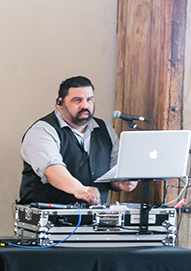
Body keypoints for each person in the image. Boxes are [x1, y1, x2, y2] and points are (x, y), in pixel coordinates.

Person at [19, 75, 136, 205]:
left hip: (95, 221)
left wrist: (122, 183)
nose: (85, 105)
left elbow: (112, 175)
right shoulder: (42, 131)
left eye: (89, 100)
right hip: (50, 220)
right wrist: (80, 189)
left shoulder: (105, 130)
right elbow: (53, 170)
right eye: (77, 100)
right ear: (60, 104)